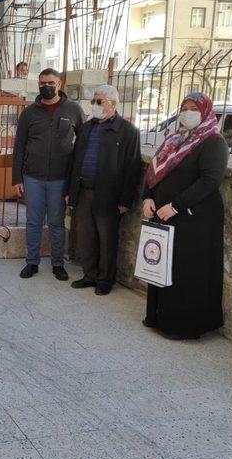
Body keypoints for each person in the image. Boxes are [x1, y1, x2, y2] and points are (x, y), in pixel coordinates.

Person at [142, 92, 228, 340]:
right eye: (184, 107)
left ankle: (182, 326)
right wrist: (148, 196)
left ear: (205, 112)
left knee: (186, 271)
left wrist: (176, 205)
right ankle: (158, 316)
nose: (187, 112)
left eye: (193, 108)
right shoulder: (173, 138)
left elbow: (209, 181)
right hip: (164, 215)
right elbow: (154, 171)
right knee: (162, 267)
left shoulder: (214, 142)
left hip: (194, 218)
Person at [67, 84, 141, 295]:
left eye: (99, 101)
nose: (95, 105)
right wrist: (70, 191)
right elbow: (75, 160)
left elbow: (132, 167)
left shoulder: (127, 132)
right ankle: (89, 275)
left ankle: (105, 280)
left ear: (113, 104)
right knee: (85, 237)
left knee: (107, 239)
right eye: (93, 101)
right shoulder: (87, 127)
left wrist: (125, 200)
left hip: (108, 195)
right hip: (83, 192)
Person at [12, 67, 85, 281]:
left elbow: (82, 145)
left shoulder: (74, 110)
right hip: (32, 177)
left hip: (60, 179)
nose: (46, 87)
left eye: (51, 83)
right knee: (33, 221)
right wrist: (17, 178)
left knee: (56, 222)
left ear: (59, 84)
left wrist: (74, 182)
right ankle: (32, 262)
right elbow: (19, 147)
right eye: (42, 83)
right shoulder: (29, 113)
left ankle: (57, 264)